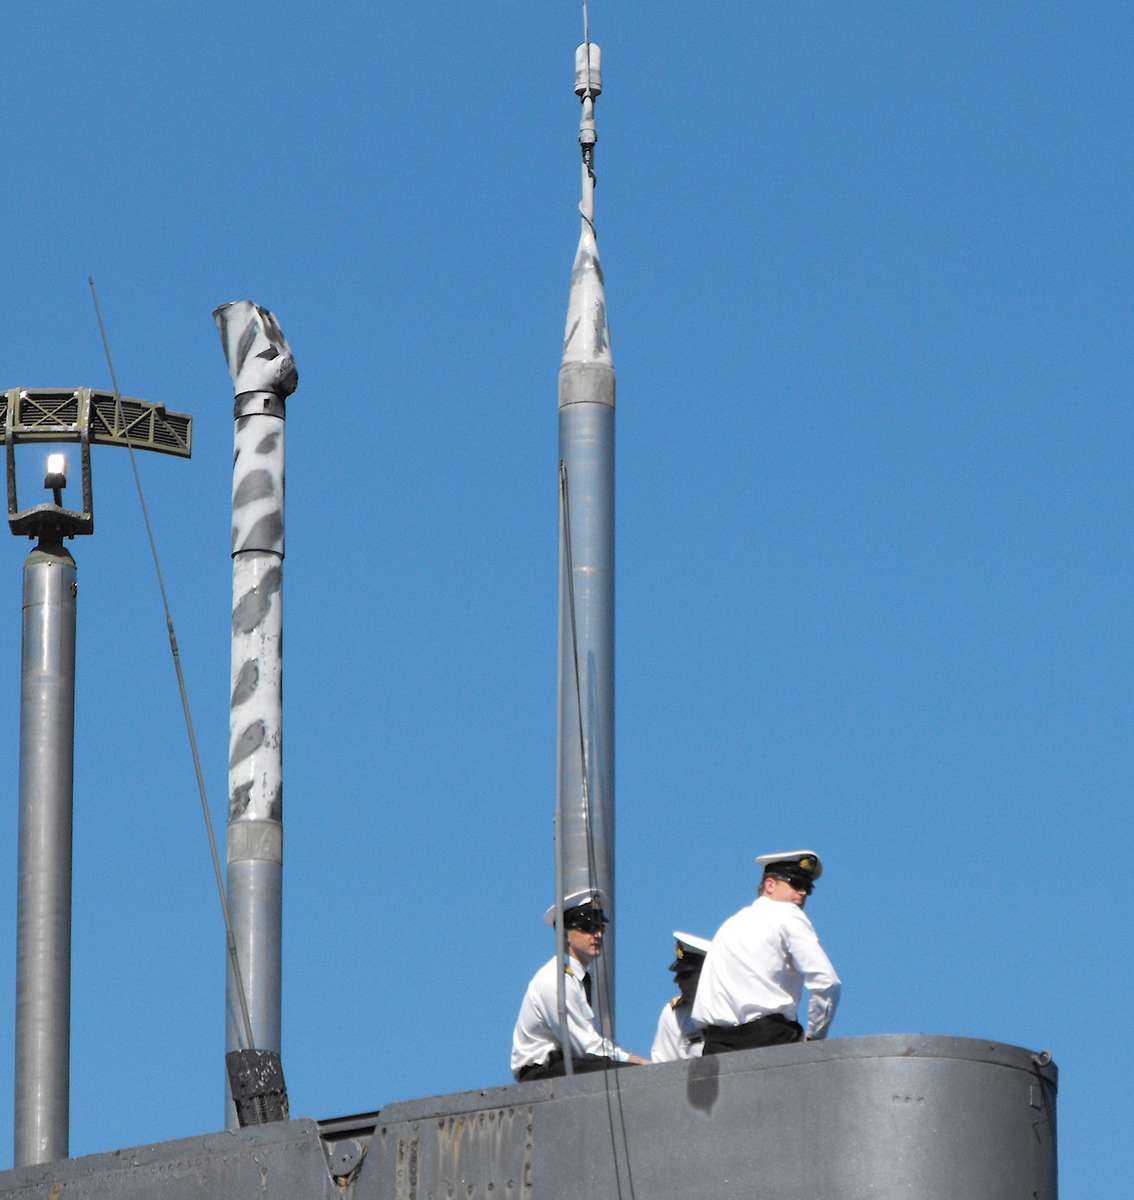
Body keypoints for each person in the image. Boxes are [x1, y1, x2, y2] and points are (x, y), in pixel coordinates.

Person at [691, 850, 841, 1054]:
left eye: (807, 888)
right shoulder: (787, 914)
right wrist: (816, 1038)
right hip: (767, 1040)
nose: (803, 892)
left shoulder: (730, 924)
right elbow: (827, 981)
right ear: (770, 885)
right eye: (795, 883)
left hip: (716, 1047)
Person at [511, 888, 648, 1080]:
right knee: (630, 1076)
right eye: (588, 927)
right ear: (565, 933)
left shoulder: (580, 979)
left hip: (571, 1063)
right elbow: (585, 1045)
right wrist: (633, 1060)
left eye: (601, 926)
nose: (598, 934)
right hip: (543, 1072)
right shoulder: (554, 979)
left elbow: (594, 1041)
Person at [650, 931, 711, 1062]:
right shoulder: (674, 1014)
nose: (677, 980)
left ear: (705, 973)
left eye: (685, 974)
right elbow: (662, 1068)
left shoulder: (733, 1007)